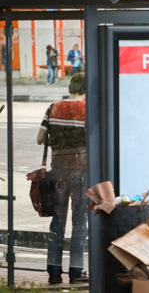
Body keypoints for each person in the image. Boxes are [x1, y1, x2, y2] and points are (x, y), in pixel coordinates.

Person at [36, 72, 89, 284]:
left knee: (57, 222)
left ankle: (54, 272)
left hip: (58, 172)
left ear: (70, 89)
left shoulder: (52, 108)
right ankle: (76, 272)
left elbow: (40, 139)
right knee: (80, 221)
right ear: (87, 90)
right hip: (81, 173)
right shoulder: (88, 110)